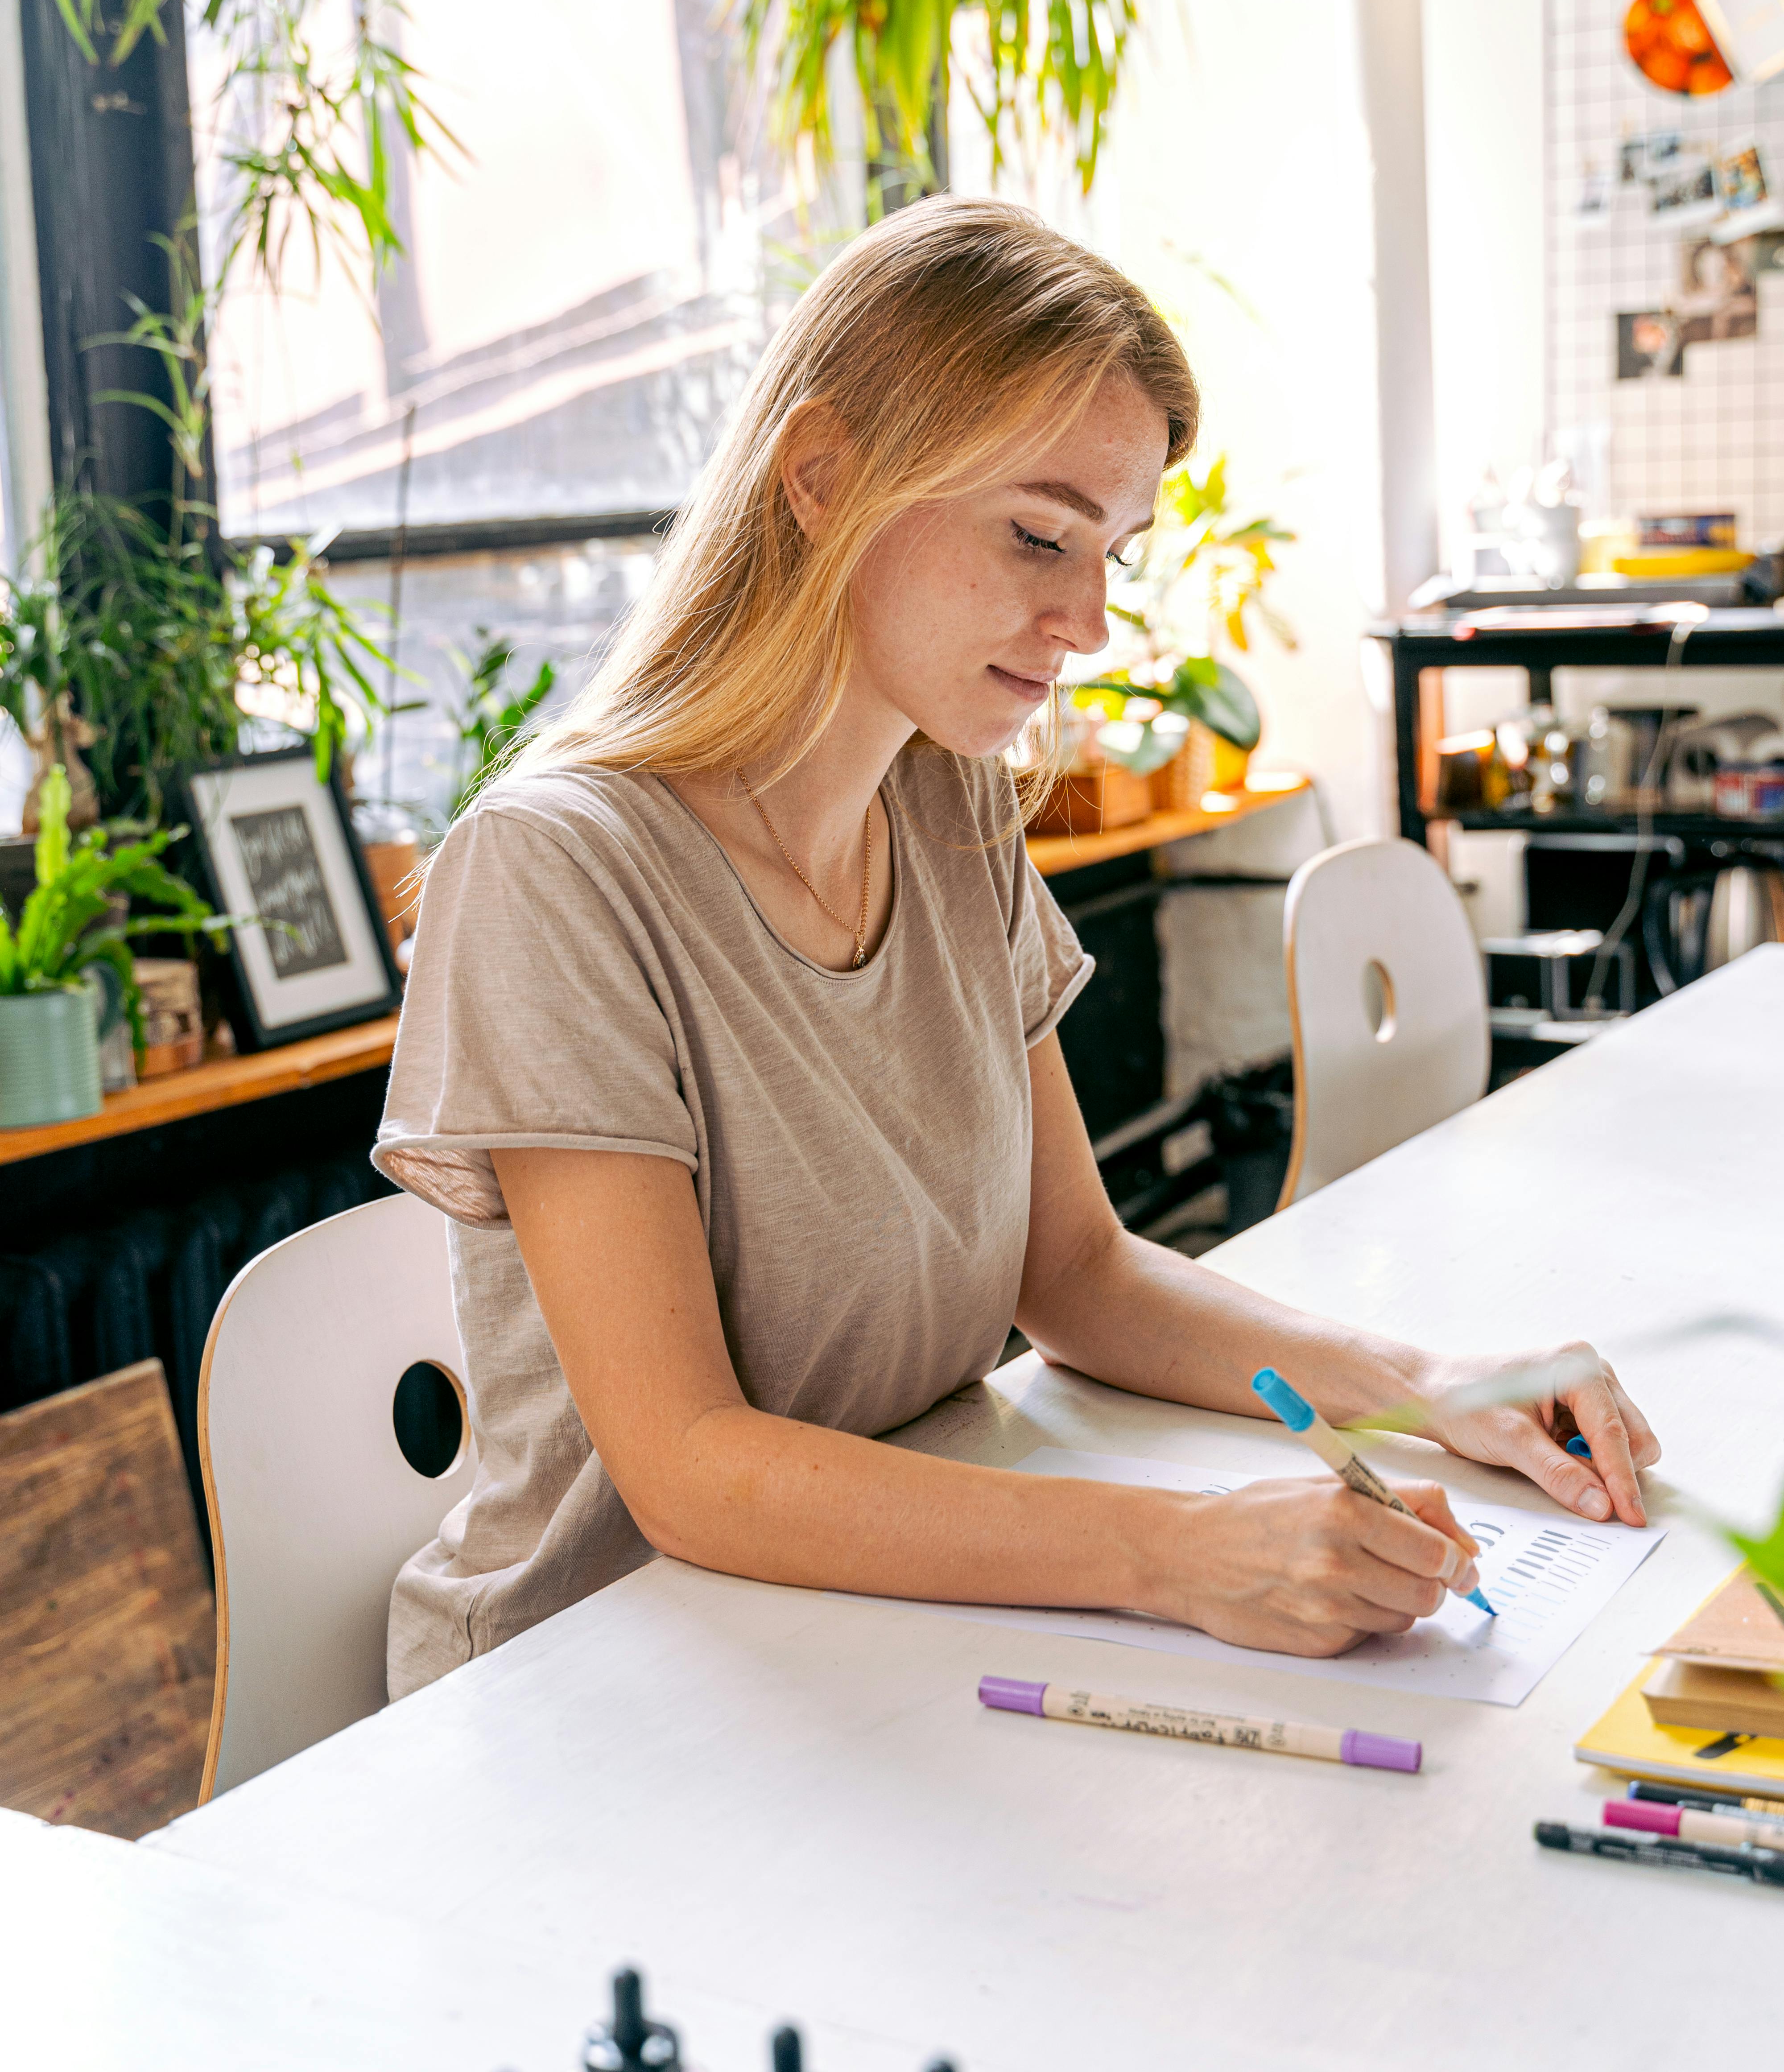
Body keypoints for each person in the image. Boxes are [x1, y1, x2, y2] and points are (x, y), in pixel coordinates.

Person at [376, 198, 1659, 1697]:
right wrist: (1179, 1556)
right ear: (821, 474)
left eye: (1112, 551)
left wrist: (1441, 1388)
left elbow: (1079, 1274)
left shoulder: (947, 807)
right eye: (1040, 535)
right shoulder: (556, 870)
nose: (1089, 620)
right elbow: (692, 1470)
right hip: (603, 1696)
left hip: (869, 1646)